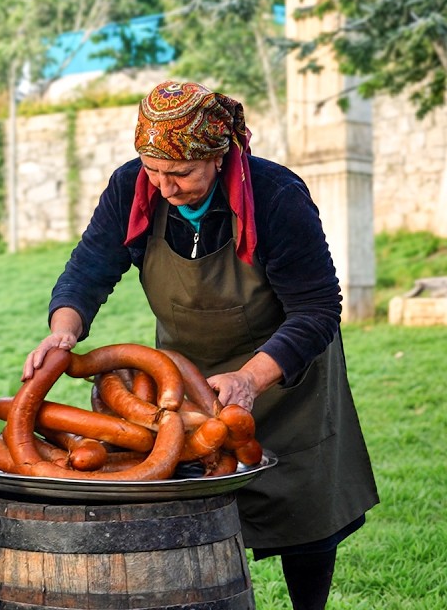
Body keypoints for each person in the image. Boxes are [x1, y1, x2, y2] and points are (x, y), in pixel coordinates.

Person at [23, 80, 378, 610]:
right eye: (153, 170)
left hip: (283, 375)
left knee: (304, 515)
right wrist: (65, 328)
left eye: (180, 173)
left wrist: (250, 379)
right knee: (190, 509)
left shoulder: (276, 197)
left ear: (218, 157)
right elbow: (89, 268)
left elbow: (318, 309)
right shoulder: (132, 187)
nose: (164, 187)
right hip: (182, 381)